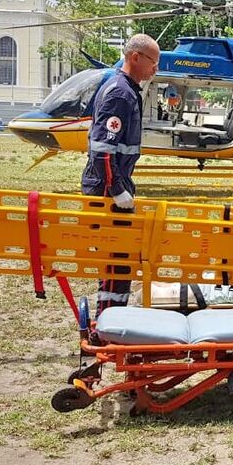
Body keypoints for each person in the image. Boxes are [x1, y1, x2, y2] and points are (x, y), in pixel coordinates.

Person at [81, 33, 160, 314]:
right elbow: (102, 149)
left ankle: (112, 316)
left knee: (119, 259)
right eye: (153, 62)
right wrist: (116, 190)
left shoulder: (126, 90)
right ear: (135, 58)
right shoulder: (120, 93)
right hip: (107, 188)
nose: (155, 69)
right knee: (117, 257)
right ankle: (109, 320)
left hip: (116, 182)